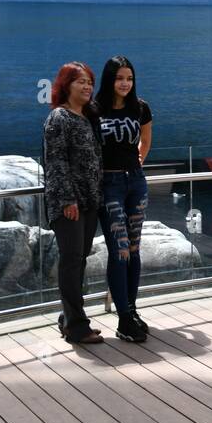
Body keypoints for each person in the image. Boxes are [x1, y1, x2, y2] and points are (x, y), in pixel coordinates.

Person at [92, 56, 153, 342]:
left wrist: (137, 165)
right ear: (109, 80)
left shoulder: (140, 107)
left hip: (135, 183)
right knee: (120, 251)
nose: (125, 83)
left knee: (135, 248)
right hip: (109, 185)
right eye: (119, 78)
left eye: (129, 78)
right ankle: (123, 319)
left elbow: (146, 140)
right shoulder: (95, 110)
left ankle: (132, 309)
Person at [44, 62, 104, 345]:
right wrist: (68, 199)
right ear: (65, 85)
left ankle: (68, 318)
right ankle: (78, 327)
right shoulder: (60, 118)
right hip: (69, 204)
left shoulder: (88, 117)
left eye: (90, 82)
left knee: (78, 262)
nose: (87, 87)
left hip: (89, 201)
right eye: (80, 81)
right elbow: (56, 162)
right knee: (71, 263)